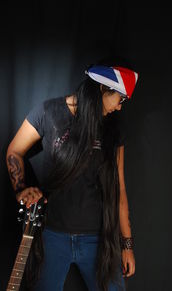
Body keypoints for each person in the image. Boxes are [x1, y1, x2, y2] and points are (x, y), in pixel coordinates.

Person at [6, 63, 138, 291]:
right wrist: (21, 188)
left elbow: (120, 189)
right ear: (102, 89)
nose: (119, 108)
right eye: (121, 99)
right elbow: (14, 151)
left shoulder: (112, 129)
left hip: (98, 240)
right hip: (51, 236)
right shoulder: (49, 112)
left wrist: (127, 245)